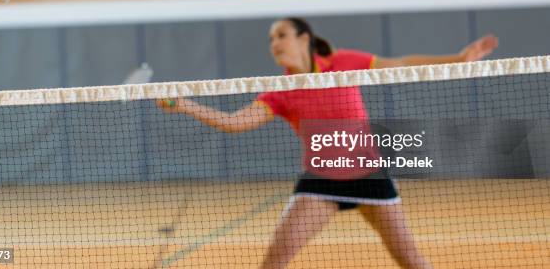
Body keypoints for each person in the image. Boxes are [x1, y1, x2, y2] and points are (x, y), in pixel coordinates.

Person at [158, 17, 498, 268]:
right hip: (321, 181)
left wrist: (457, 59)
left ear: (304, 38)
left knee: (411, 261)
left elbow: (402, 65)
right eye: (270, 39)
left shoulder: (344, 64)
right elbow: (235, 123)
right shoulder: (281, 90)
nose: (274, 43)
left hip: (370, 177)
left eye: (281, 35)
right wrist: (185, 104)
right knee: (273, 262)